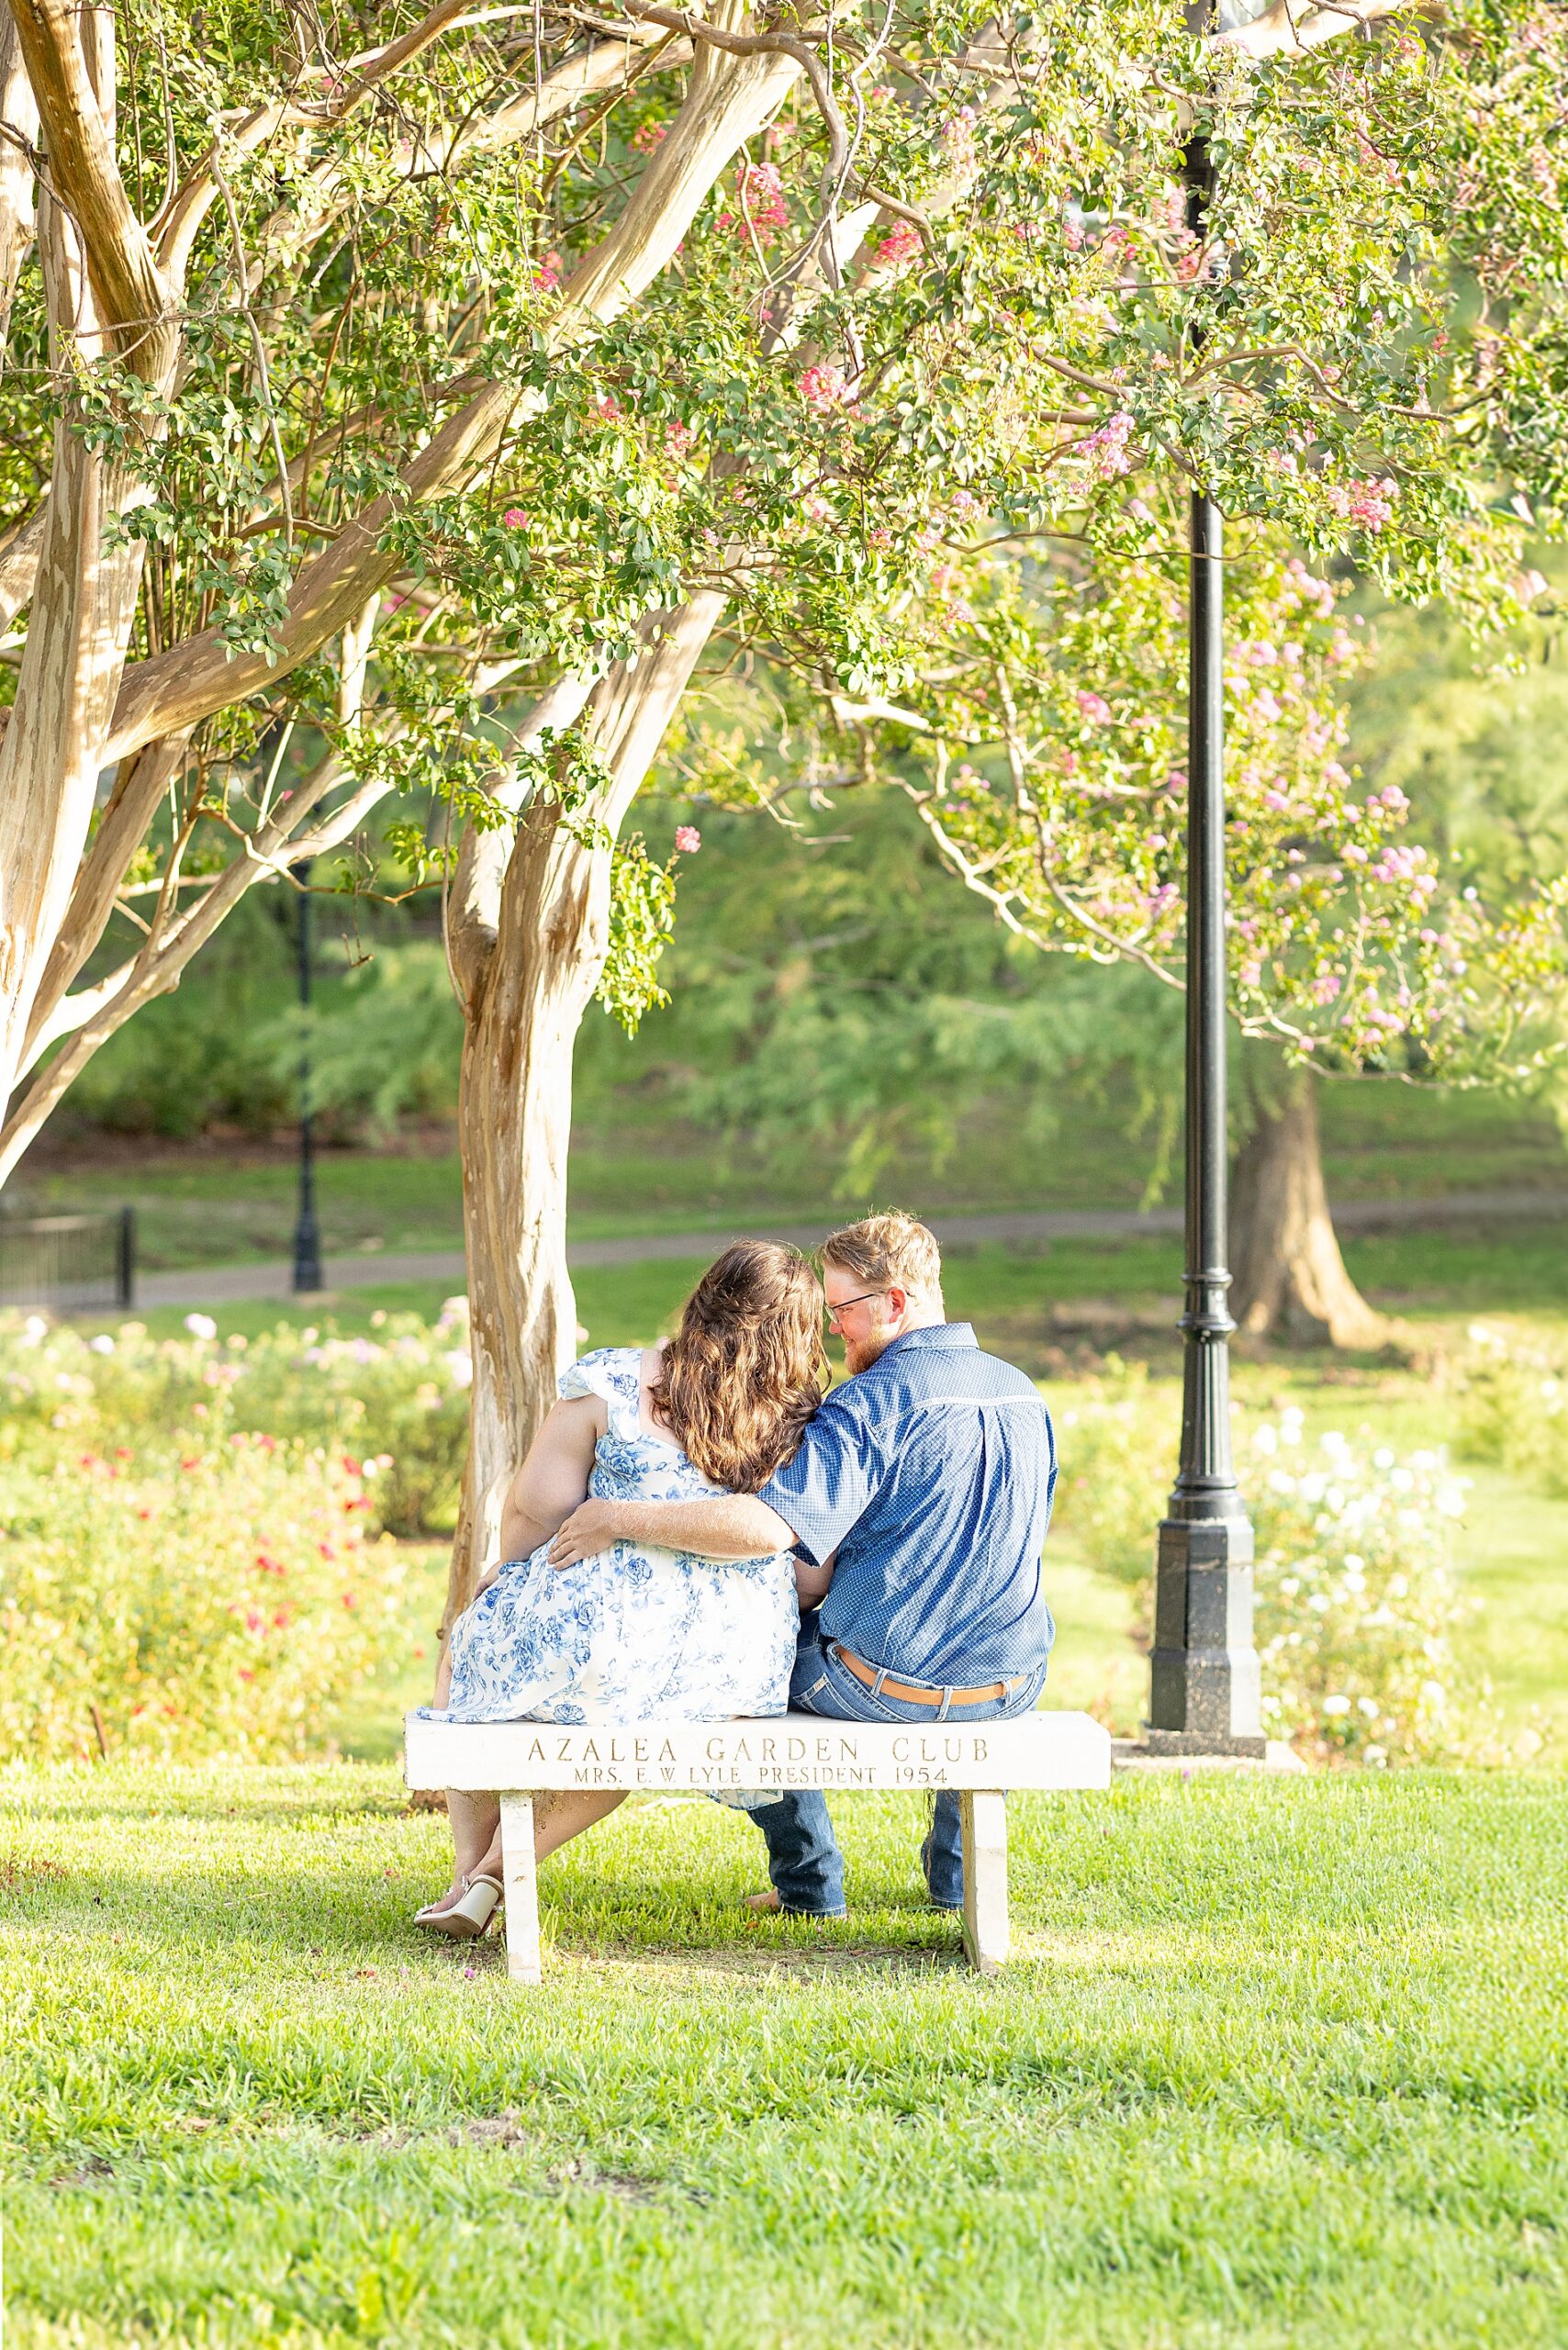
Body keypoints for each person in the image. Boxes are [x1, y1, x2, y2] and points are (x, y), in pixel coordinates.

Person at [548, 1211, 1057, 1920]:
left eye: (842, 1309)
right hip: (1010, 1681)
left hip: (884, 1686)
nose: (830, 1330)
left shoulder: (872, 1401)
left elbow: (766, 1529)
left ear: (896, 1304)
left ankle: (809, 1886)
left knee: (740, 1662)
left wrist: (618, 1518)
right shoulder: (1021, 1391)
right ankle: (955, 1884)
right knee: (965, 1620)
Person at [413, 1238, 827, 1939]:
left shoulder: (614, 1380)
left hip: (604, 1632)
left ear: (706, 1298)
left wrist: (507, 1571)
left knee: (473, 1645)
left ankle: (467, 1875)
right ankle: (492, 1873)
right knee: (627, 1728)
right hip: (733, 1666)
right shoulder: (802, 1421)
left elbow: (537, 1506)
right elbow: (812, 1572)